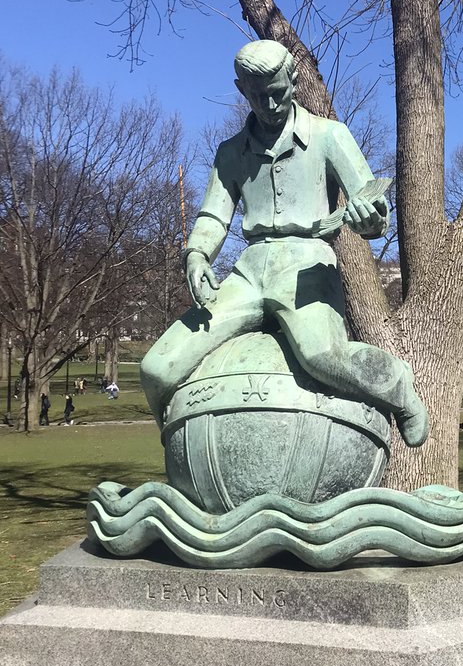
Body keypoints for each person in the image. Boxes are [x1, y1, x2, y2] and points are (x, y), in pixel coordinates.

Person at [140, 40, 427, 446]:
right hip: (248, 271)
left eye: (277, 92)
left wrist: (370, 218)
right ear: (242, 91)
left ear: (294, 81)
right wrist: (197, 254)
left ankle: (399, 387)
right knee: (157, 369)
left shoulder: (329, 136)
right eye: (257, 96)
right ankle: (181, 446)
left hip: (308, 265)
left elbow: (372, 203)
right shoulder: (230, 153)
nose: (269, 105)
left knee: (322, 356)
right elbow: (212, 216)